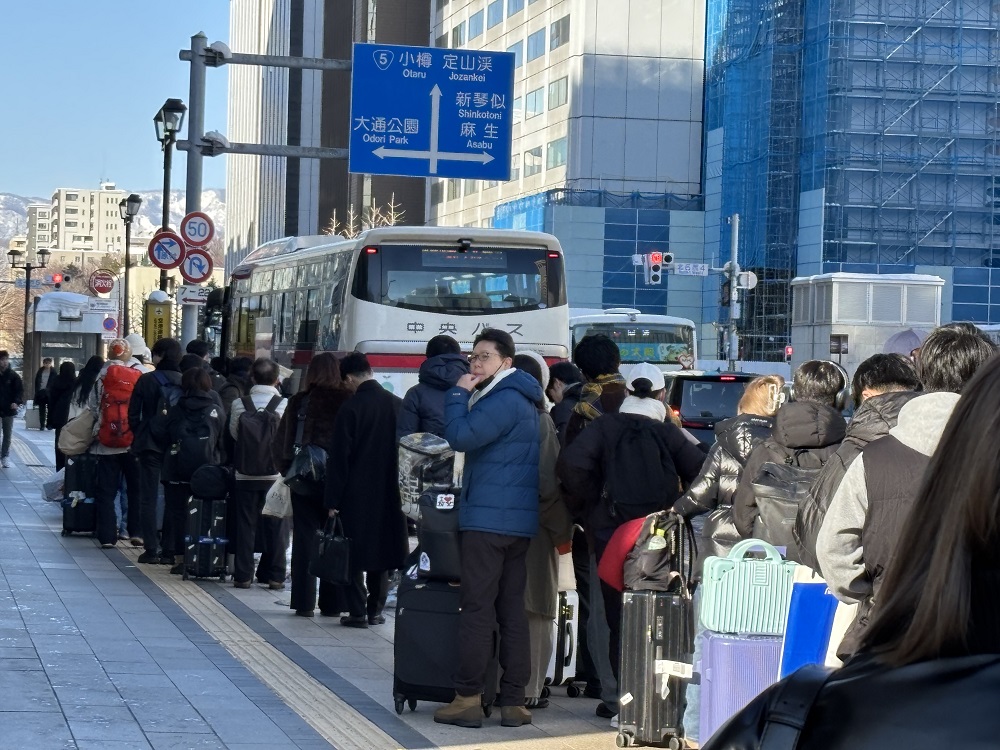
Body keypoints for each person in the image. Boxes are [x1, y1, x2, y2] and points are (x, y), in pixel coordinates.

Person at [702, 353, 1000, 750]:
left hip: (868, 620)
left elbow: (828, 544)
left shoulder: (797, 716)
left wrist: (865, 592)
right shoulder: (850, 445)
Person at [817, 323, 996, 656]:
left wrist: (876, 592)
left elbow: (834, 551)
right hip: (982, 646)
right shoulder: (991, 454)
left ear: (922, 375)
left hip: (889, 637)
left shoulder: (873, 458)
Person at [557, 362, 706, 723]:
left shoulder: (604, 427)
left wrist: (592, 505)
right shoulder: (667, 432)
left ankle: (620, 699)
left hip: (610, 535)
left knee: (616, 617)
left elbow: (571, 465)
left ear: (626, 392)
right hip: (658, 538)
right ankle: (656, 700)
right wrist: (676, 508)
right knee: (658, 614)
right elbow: (701, 472)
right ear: (661, 395)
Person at [433, 328, 543, 729]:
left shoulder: (503, 399)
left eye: (485, 357)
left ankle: (467, 698)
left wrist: (457, 394)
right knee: (511, 611)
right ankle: (513, 701)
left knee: (477, 608)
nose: (475, 364)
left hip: (488, 521)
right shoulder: (523, 398)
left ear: (505, 363)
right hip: (515, 523)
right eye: (473, 357)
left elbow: (460, 436)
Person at [794, 353, 920, 570]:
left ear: (866, 396)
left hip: (875, 584)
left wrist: (859, 584)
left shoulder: (855, 452)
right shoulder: (946, 441)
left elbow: (815, 538)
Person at [324, 353, 407, 627]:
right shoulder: (397, 405)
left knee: (352, 552)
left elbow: (340, 459)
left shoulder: (350, 409)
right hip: (390, 493)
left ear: (349, 378)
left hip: (355, 494)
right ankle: (375, 610)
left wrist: (333, 499)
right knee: (381, 551)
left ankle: (357, 611)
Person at [273, 352, 353, 618]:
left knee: (305, 540)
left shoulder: (299, 400)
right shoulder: (348, 400)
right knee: (335, 536)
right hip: (339, 481)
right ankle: (333, 603)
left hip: (305, 480)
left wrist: (288, 470)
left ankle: (304, 602)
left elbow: (282, 443)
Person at [514, 352, 573, 710]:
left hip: (489, 526)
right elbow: (548, 484)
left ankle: (497, 682)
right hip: (533, 525)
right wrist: (563, 533)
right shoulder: (540, 421)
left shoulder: (485, 412)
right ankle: (529, 687)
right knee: (536, 606)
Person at [673, 374, 785, 561]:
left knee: (721, 579)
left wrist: (675, 511)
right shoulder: (785, 446)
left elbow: (701, 494)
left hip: (723, 539)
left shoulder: (723, 444)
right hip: (770, 537)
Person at [732, 360, 848, 539]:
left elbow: (743, 516)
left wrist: (773, 542)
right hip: (830, 554)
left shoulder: (765, 450)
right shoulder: (851, 452)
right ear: (841, 398)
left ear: (792, 393)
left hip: (775, 553)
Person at [156, 367, 227, 574]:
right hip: (207, 473)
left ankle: (179, 558)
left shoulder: (175, 409)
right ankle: (202, 557)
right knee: (205, 514)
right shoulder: (216, 411)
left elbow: (163, 435)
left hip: (176, 471)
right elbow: (223, 443)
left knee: (177, 514)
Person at [229, 358, 288, 589]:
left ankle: (243, 576)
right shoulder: (284, 404)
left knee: (245, 524)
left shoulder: (239, 404)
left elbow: (235, 434)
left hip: (245, 474)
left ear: (252, 377)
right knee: (277, 524)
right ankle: (275, 576)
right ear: (277, 379)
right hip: (275, 475)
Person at [128, 338, 183, 565]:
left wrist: (142, 433)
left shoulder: (147, 380)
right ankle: (169, 550)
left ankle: (151, 548)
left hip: (150, 445)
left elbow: (133, 414)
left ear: (159, 356)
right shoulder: (184, 381)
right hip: (175, 447)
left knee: (148, 497)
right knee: (173, 498)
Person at [87, 339, 144, 548]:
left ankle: (107, 536)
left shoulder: (102, 376)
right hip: (132, 441)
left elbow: (93, 406)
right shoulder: (140, 374)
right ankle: (137, 532)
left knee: (106, 492)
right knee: (136, 489)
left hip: (107, 443)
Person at [396, 335, 470, 441]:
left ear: (428, 357)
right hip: (468, 451)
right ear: (459, 355)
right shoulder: (476, 389)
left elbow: (406, 439)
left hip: (429, 451)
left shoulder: (415, 394)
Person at [563, 334, 627, 447]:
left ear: (584, 373)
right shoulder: (641, 395)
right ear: (618, 362)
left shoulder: (583, 410)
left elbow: (570, 454)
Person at [47, 361, 77, 471]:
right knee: (71, 443)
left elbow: (51, 402)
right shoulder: (75, 383)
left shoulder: (56, 382)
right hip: (72, 417)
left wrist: (50, 421)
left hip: (59, 417)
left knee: (59, 443)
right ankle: (69, 469)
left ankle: (59, 469)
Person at [546, 361, 584, 444]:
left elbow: (562, 443)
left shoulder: (563, 409)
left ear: (557, 383)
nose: (552, 400)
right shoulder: (592, 398)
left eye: (549, 392)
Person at [0, 351, 25, 468]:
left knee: (7, 434)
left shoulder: (13, 376)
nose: (4, 362)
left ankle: (5, 456)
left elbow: (19, 391)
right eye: (2, 359)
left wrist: (16, 402)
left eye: (6, 359)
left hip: (8, 409)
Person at [34, 357, 56, 429]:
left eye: (49, 363)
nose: (47, 365)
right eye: (46, 363)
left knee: (50, 409)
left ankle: (49, 424)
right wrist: (37, 391)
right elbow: (37, 382)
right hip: (41, 391)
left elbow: (55, 382)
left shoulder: (53, 372)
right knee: (41, 409)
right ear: (43, 363)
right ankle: (42, 425)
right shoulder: (40, 371)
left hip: (50, 392)